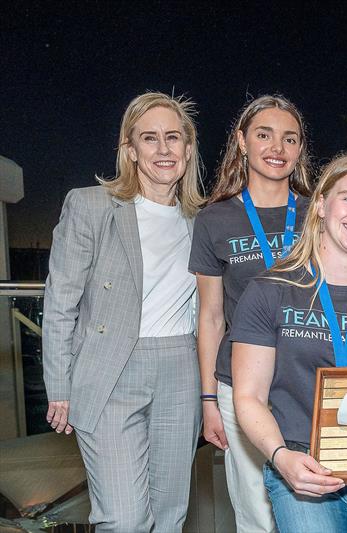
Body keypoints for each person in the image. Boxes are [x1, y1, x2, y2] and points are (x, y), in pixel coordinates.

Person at [230, 154, 347, 532]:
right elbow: (248, 397)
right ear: (320, 205)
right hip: (303, 472)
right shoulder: (270, 291)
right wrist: (280, 457)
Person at [43, 91, 204, 532]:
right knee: (124, 519)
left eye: (173, 137)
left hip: (180, 371)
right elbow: (60, 302)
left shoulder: (203, 219)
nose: (163, 148)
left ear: (189, 149)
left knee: (169, 515)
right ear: (130, 150)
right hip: (108, 371)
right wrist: (59, 384)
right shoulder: (90, 206)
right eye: (149, 138)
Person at [189, 95, 313, 532]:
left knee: (311, 507)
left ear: (300, 149)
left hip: (307, 380)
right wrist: (209, 401)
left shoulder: (320, 212)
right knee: (257, 516)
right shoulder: (214, 219)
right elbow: (210, 317)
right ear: (242, 142)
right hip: (239, 383)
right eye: (264, 135)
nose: (277, 147)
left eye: (289, 138)